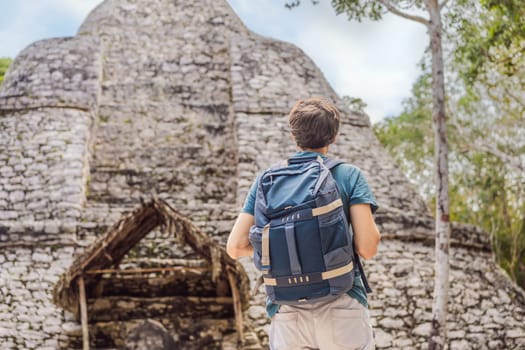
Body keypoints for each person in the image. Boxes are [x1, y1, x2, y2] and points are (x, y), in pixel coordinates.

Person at [227, 97, 381, 350]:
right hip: (341, 304)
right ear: (334, 137)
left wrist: (279, 249)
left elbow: (234, 247)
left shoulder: (266, 180)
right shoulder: (348, 175)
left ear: (293, 135)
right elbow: (367, 248)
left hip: (288, 312)